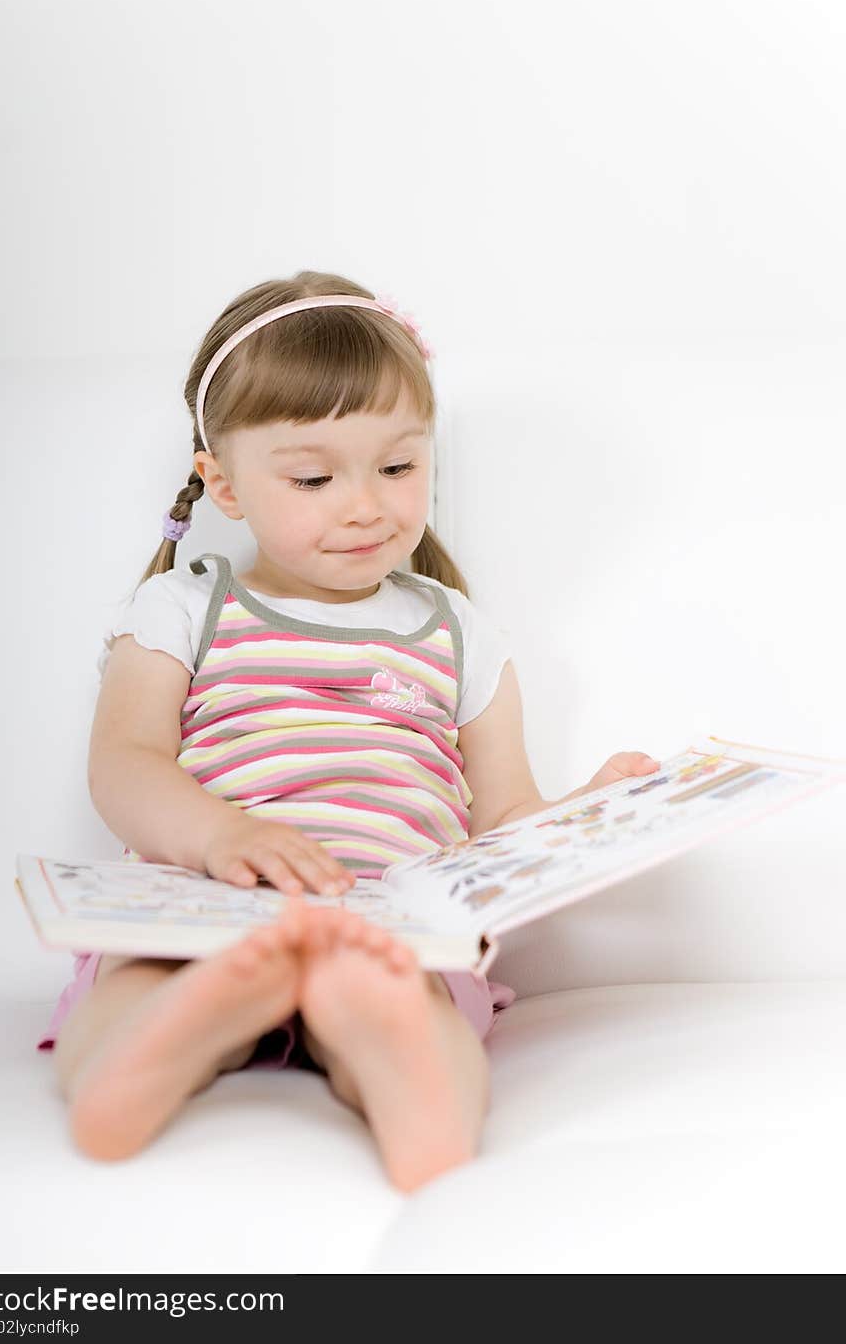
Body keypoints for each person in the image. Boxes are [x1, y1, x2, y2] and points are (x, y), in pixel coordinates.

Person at [38, 270, 660, 1193]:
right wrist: (222, 836)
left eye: (398, 467)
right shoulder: (182, 607)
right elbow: (123, 765)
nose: (365, 504)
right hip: (204, 897)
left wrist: (586, 820)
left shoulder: (458, 632)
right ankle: (153, 1045)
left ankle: (410, 1080)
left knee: (410, 999)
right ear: (226, 483)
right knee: (134, 980)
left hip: (390, 917)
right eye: (315, 476)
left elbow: (504, 819)